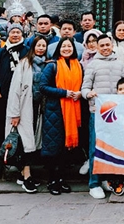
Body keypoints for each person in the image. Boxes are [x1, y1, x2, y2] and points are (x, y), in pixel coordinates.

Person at [81, 34, 124, 199]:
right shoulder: (93, 65)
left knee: (113, 148)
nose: (105, 48)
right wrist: (88, 94)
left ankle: (107, 179)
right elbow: (85, 87)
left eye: (108, 45)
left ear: (112, 45)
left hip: (116, 114)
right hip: (97, 113)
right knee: (95, 148)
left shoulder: (120, 64)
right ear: (97, 47)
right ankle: (93, 183)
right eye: (102, 45)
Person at [0, 23, 28, 177]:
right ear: (8, 34)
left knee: (22, 128)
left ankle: (19, 158)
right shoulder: (0, 53)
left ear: (22, 34)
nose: (15, 35)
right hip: (2, 96)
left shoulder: (27, 51)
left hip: (22, 97)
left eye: (18, 32)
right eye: (12, 32)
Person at [40, 37, 83, 195]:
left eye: (69, 46)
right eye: (63, 46)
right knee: (54, 147)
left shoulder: (78, 65)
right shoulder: (52, 66)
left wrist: (80, 93)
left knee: (66, 149)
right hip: (55, 111)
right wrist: (64, 93)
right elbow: (43, 87)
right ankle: (52, 180)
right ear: (59, 48)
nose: (66, 49)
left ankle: (61, 179)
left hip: (74, 109)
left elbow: (83, 85)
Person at [7, 36, 47, 193]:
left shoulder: (47, 64)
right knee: (25, 142)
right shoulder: (24, 63)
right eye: (38, 45)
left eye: (43, 45)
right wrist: (14, 113)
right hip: (24, 107)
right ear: (33, 47)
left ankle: (23, 174)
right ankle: (27, 176)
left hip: (39, 107)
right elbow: (15, 89)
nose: (41, 48)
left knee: (32, 141)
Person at [103, 77, 124, 196]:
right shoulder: (113, 103)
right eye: (120, 89)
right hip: (115, 137)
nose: (123, 91)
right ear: (117, 91)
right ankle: (112, 180)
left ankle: (121, 181)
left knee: (123, 159)